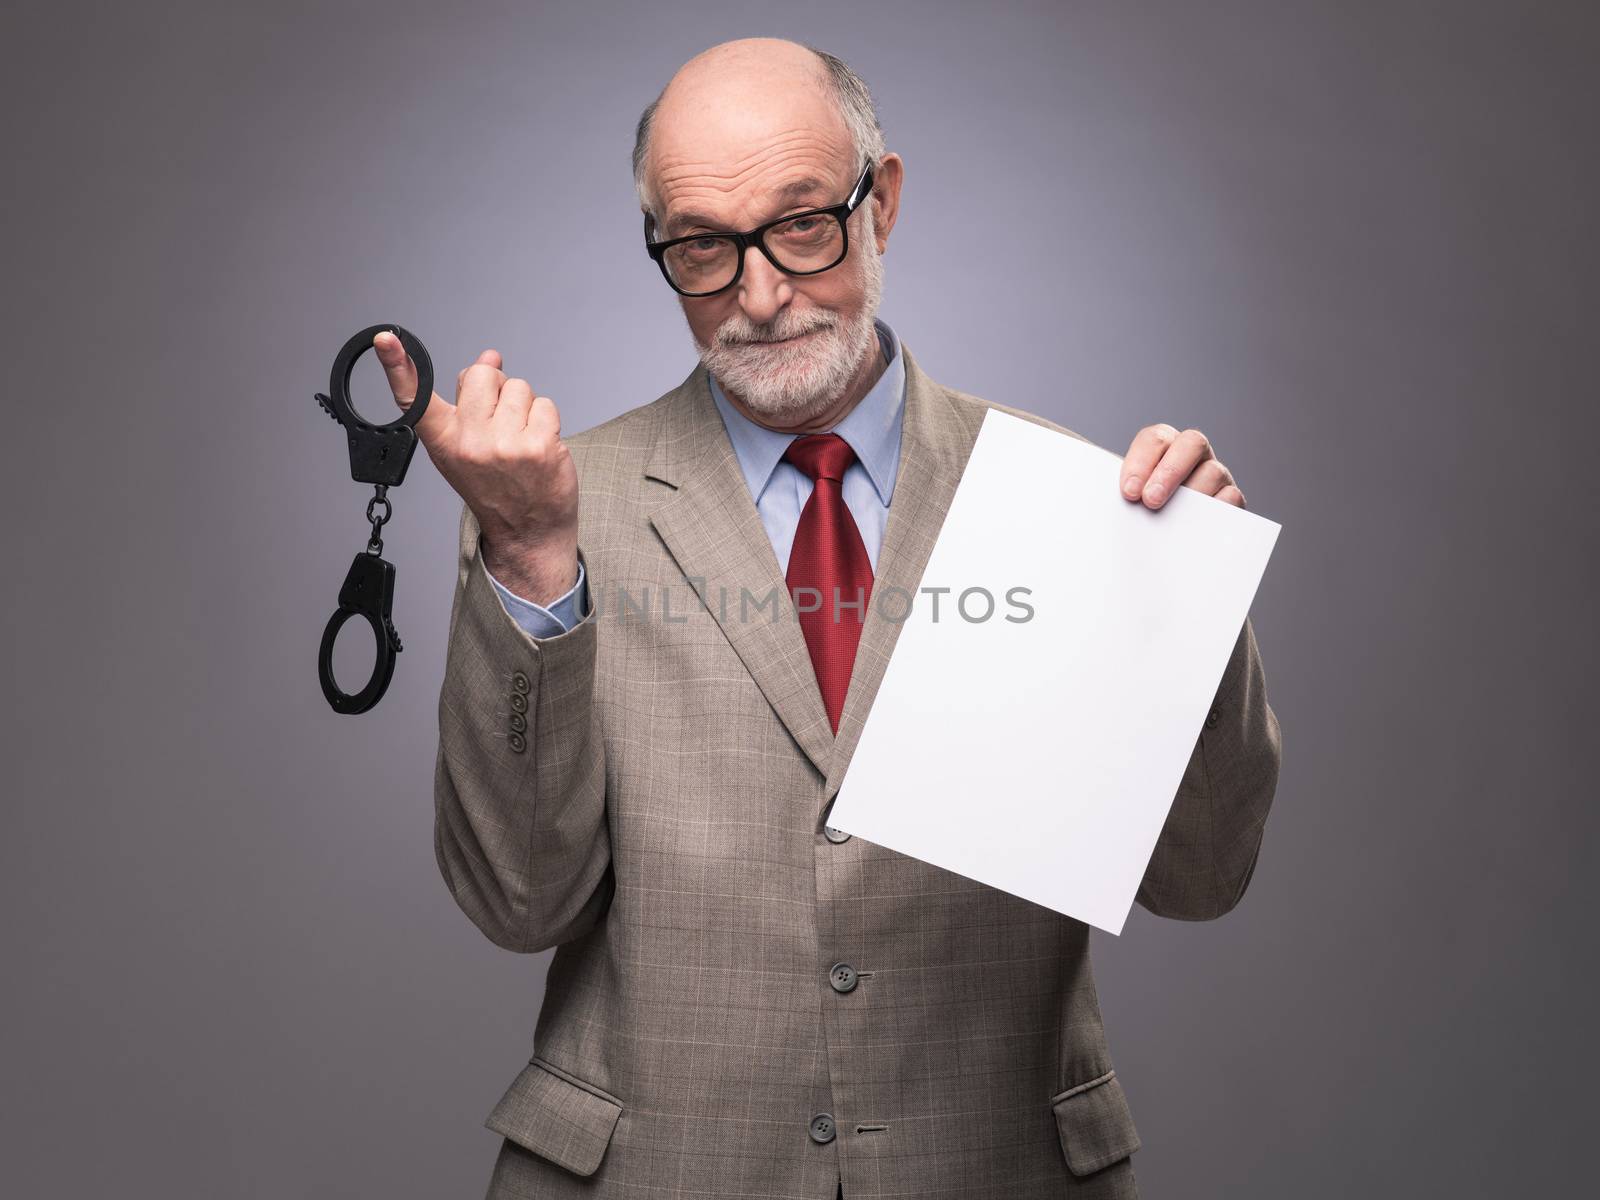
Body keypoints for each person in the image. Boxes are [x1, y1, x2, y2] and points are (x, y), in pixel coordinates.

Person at [374, 36, 1281, 1200]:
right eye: (702, 245)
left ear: (882, 203)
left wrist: (1187, 599)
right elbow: (519, 903)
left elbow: (1201, 880)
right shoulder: (546, 508)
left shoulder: (1079, 503)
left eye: (803, 223)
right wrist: (533, 557)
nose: (759, 295)